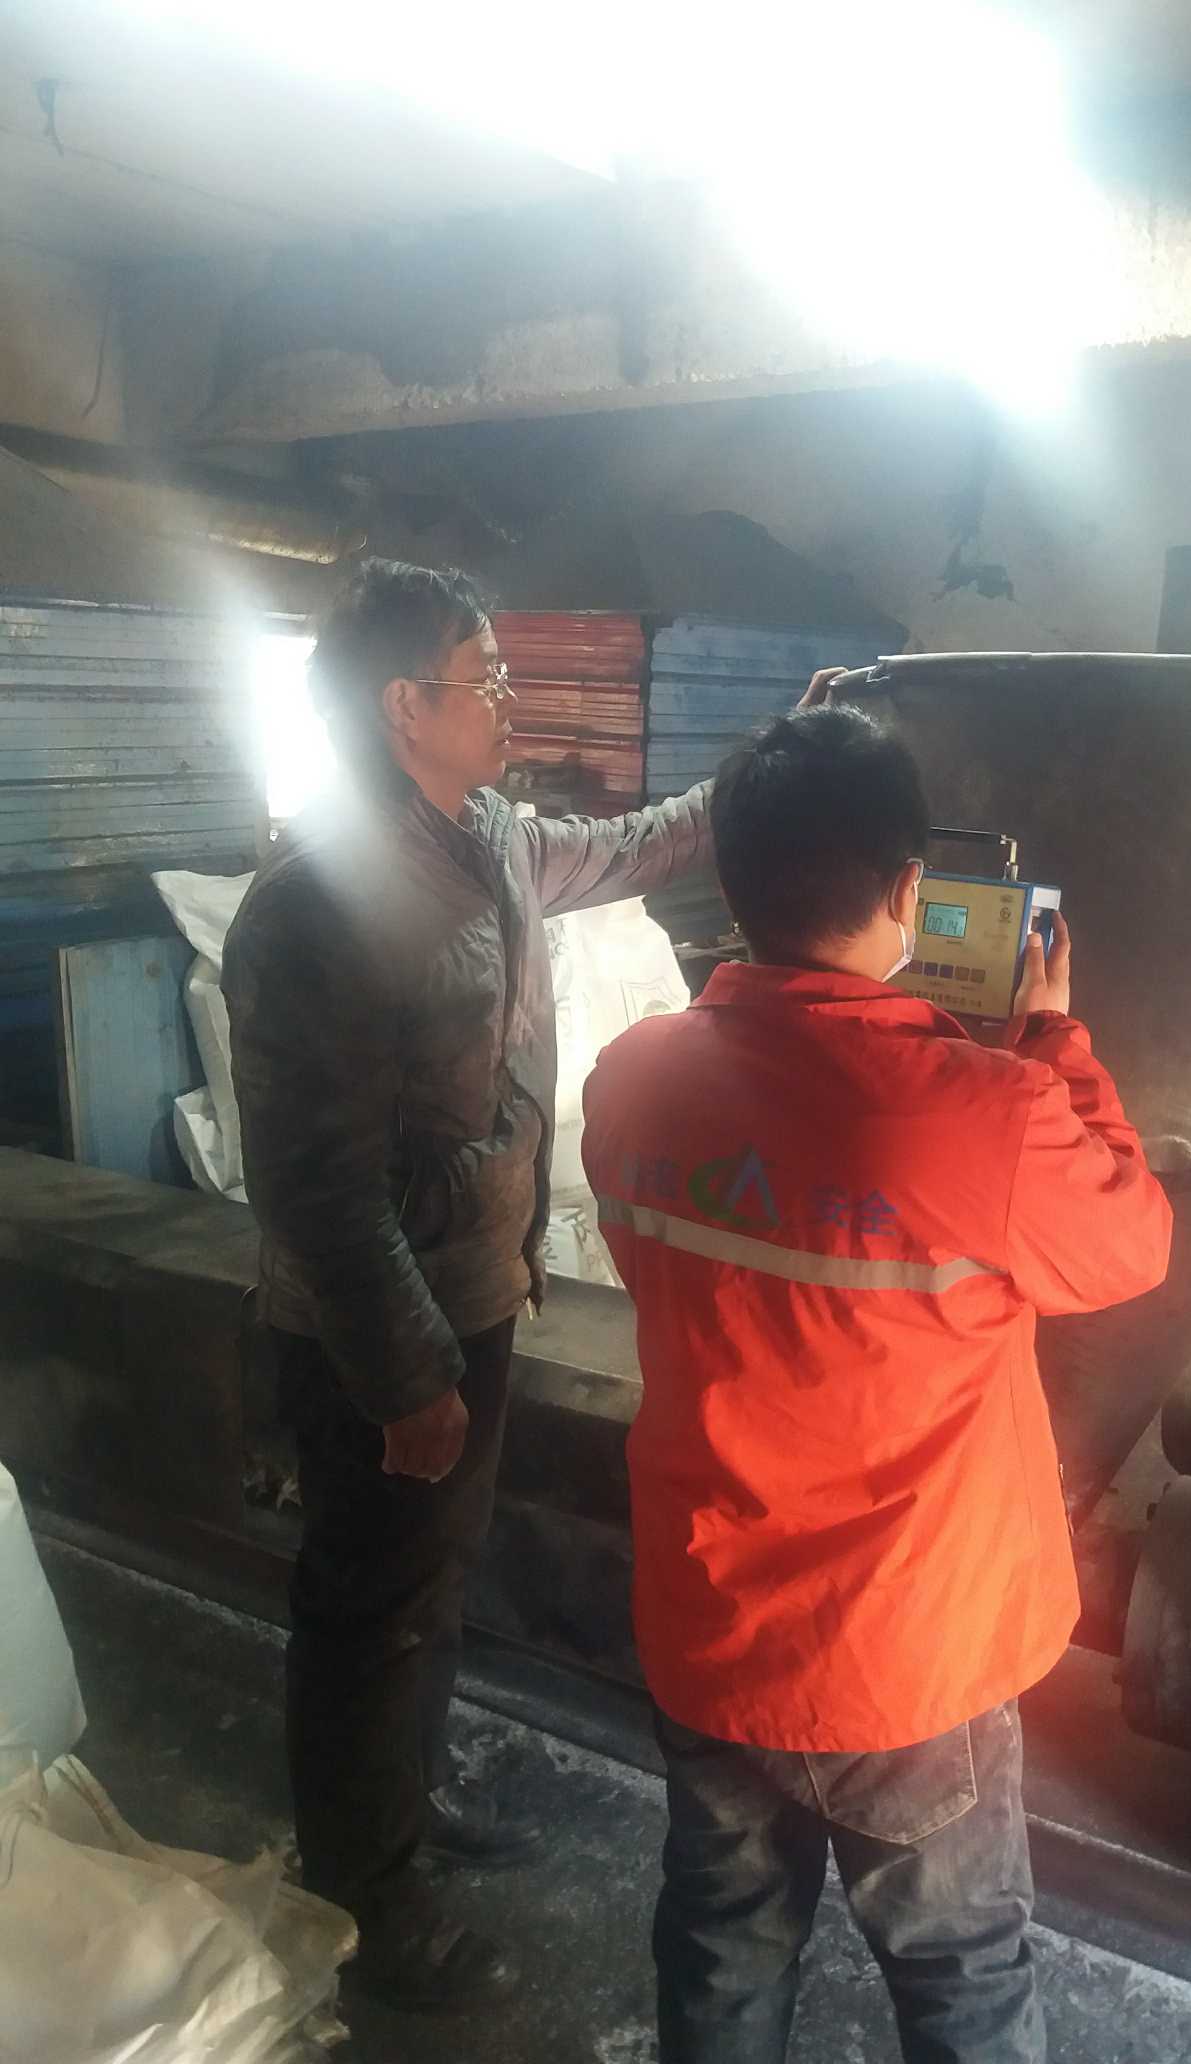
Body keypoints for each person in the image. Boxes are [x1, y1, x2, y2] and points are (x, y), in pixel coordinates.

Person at [581, 702, 1173, 2064]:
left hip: (712, 1628)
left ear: (729, 880)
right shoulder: (986, 1113)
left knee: (723, 1946)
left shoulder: (631, 1081)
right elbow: (1133, 1244)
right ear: (912, 891)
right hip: (909, 1658)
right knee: (960, 1977)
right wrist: (1053, 1049)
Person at [224, 559, 730, 2011]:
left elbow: (627, 847)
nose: (510, 697)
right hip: (379, 1334)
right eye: (484, 675)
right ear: (403, 706)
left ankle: (403, 1803)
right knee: (367, 1611)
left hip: (477, 1288)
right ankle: (365, 1906)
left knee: (426, 1590)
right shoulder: (315, 907)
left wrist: (759, 778)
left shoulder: (489, 836)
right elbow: (317, 1187)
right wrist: (408, 1379)